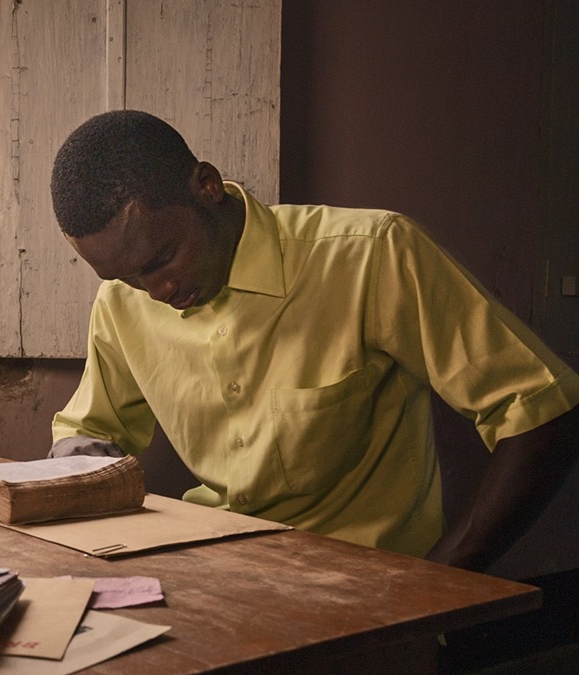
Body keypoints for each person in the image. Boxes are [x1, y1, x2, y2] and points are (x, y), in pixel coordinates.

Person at [47, 110, 579, 571]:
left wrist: (441, 583)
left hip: (366, 589)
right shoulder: (122, 304)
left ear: (207, 186)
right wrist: (77, 459)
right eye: (126, 278)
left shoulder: (372, 256)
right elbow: (89, 427)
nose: (155, 292)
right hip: (213, 573)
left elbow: (543, 412)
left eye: (162, 260)